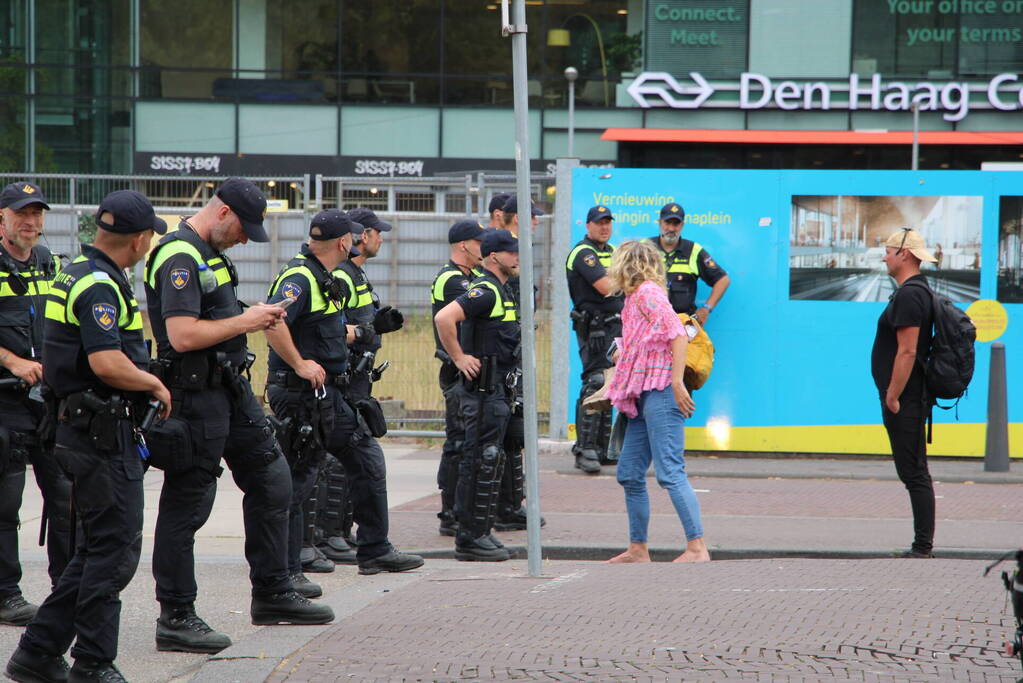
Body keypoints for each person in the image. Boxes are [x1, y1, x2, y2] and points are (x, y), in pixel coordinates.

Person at [144, 177, 331, 654]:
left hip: (230, 388)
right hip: (193, 394)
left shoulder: (211, 254)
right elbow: (182, 335)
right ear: (222, 211)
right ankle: (176, 616)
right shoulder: (179, 255)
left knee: (273, 480)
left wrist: (253, 313)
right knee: (189, 505)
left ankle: (272, 592)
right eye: (243, 228)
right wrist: (249, 321)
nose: (246, 238)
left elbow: (215, 314)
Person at [5, 190, 171, 683]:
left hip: (82, 429)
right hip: (99, 434)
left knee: (95, 549)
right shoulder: (99, 283)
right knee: (111, 550)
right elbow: (105, 361)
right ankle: (93, 663)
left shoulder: (74, 271)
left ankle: (37, 652)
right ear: (139, 239)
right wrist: (153, 382)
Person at [325, 207, 423, 576]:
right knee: (338, 462)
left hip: (357, 381)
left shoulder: (356, 274)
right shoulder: (343, 275)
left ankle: (345, 537)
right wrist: (366, 330)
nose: (382, 238)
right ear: (361, 236)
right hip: (343, 381)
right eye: (377, 232)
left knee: (353, 461)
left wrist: (376, 325)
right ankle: (329, 536)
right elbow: (335, 325)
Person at [603, 240, 710, 564]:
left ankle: (697, 548)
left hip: (661, 391)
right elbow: (652, 340)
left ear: (626, 265)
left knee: (670, 472)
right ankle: (638, 549)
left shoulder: (647, 293)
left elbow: (677, 333)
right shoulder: (635, 297)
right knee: (630, 472)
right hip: (643, 393)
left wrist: (677, 383)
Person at [0, 182, 72, 626]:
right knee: (6, 504)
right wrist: (12, 360)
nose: (30, 222)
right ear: (2, 218)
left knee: (65, 497)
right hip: (5, 400)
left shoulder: (50, 262)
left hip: (48, 401)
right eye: (21, 213)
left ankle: (68, 587)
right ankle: (6, 594)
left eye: (37, 214)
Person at [434, 229, 524, 561]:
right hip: (483, 392)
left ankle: (481, 531)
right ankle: (470, 537)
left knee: (491, 460)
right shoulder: (486, 290)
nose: (518, 257)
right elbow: (445, 317)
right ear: (494, 256)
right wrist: (459, 357)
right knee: (479, 460)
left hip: (498, 390)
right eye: (512, 252)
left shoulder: (502, 290)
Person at [871, 228, 937, 559]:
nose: (883, 257)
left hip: (906, 398)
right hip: (907, 397)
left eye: (887, 251)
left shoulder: (911, 295)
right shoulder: (914, 291)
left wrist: (893, 395)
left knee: (914, 472)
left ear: (904, 254)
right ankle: (921, 544)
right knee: (913, 471)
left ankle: (922, 546)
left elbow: (907, 351)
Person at [491, 195, 545, 531]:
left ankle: (511, 505)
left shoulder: (517, 258)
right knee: (487, 444)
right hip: (494, 365)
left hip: (513, 360)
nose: (536, 222)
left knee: (514, 437)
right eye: (530, 216)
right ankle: (471, 515)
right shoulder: (496, 262)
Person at [431, 220, 487, 536]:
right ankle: (449, 512)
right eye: (479, 243)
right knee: (457, 442)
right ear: (463, 245)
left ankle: (467, 508)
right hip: (456, 371)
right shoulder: (450, 279)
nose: (485, 249)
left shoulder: (473, 277)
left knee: (471, 443)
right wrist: (459, 357)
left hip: (473, 369)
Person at [566, 205, 623, 475]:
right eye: (599, 222)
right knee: (595, 382)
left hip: (615, 325)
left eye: (608, 222)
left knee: (612, 382)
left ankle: (603, 447)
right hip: (593, 328)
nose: (605, 227)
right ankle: (584, 448)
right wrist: (626, 280)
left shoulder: (611, 252)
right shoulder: (583, 252)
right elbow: (606, 287)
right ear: (588, 225)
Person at [650, 203, 729, 325]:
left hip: (683, 325)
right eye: (667, 223)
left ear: (682, 225)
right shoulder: (645, 247)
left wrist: (706, 309)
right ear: (659, 222)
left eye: (676, 224)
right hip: (650, 324)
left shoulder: (693, 250)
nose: (671, 229)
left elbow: (723, 280)